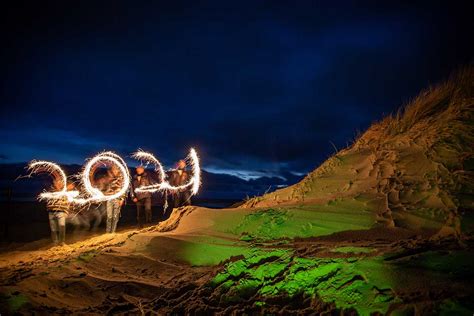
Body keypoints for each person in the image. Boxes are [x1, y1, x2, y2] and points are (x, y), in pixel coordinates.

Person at [47, 180, 75, 245]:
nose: (57, 184)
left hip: (61, 212)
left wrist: (66, 211)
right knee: (53, 229)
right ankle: (55, 242)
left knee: (62, 225)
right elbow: (48, 201)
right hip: (51, 212)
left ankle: (62, 242)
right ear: (54, 184)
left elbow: (68, 202)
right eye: (56, 183)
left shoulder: (65, 193)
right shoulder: (51, 191)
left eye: (59, 183)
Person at [103, 165, 125, 233]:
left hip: (117, 199)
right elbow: (104, 188)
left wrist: (122, 199)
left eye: (116, 169)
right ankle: (107, 232)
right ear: (112, 170)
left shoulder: (121, 179)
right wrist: (105, 194)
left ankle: (113, 232)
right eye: (113, 169)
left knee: (115, 217)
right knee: (109, 216)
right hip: (110, 199)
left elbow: (124, 189)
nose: (115, 171)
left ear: (118, 170)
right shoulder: (108, 178)